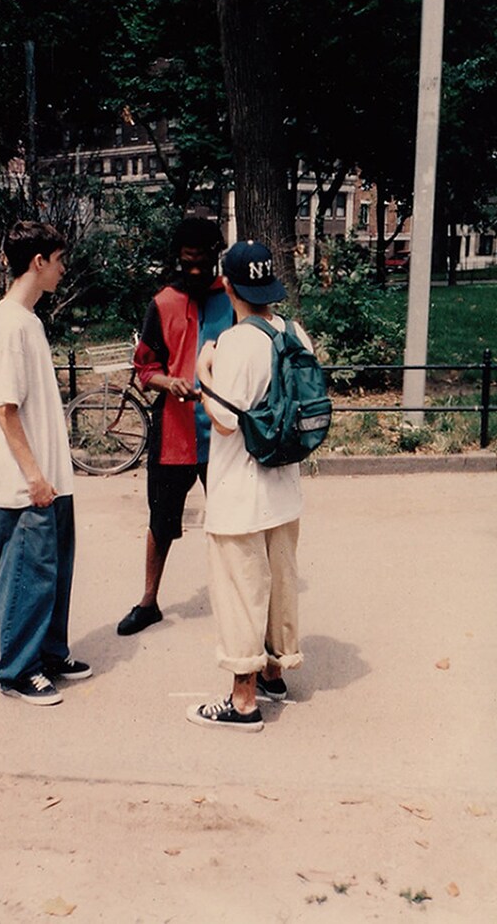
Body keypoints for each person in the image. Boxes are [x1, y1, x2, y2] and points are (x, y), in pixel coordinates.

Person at [187, 239, 310, 731]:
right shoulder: (293, 331)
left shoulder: (237, 342)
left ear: (229, 285)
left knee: (241, 590)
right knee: (280, 584)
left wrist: (203, 369)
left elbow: (222, 418)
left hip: (240, 490)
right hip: (284, 487)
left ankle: (242, 702)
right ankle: (276, 672)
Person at [0, 220, 92, 705]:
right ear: (38, 262)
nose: (64, 269)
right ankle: (18, 670)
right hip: (28, 483)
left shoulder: (29, 321)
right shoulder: (8, 324)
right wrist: (33, 476)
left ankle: (47, 653)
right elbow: (5, 409)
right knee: (28, 573)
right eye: (60, 260)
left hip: (49, 477)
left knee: (53, 570)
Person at [117, 218, 234, 636]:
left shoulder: (233, 298)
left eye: (203, 262)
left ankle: (234, 605)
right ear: (178, 260)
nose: (196, 270)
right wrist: (170, 381)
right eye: (188, 263)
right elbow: (145, 367)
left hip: (224, 434)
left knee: (232, 522)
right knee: (161, 520)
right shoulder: (162, 302)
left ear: (215, 256)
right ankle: (148, 602)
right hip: (175, 436)